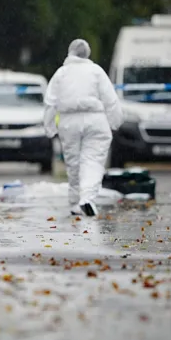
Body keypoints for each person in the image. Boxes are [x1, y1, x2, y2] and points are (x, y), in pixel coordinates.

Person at [43, 39, 123, 217]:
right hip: (96, 119)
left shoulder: (61, 73)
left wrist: (49, 127)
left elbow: (50, 102)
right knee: (93, 161)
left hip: (69, 121)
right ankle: (87, 198)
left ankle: (74, 203)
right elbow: (110, 98)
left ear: (70, 53)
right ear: (88, 53)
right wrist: (116, 121)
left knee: (73, 163)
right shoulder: (96, 71)